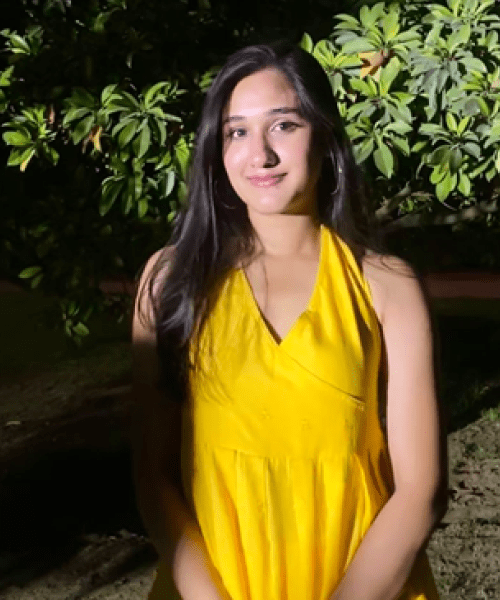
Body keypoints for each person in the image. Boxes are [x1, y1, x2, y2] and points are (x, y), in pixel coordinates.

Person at [131, 41, 448, 600]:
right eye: (237, 132)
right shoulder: (171, 280)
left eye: (283, 126)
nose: (260, 154)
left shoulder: (386, 286)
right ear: (216, 150)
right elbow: (154, 478)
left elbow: (421, 489)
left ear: (323, 137)